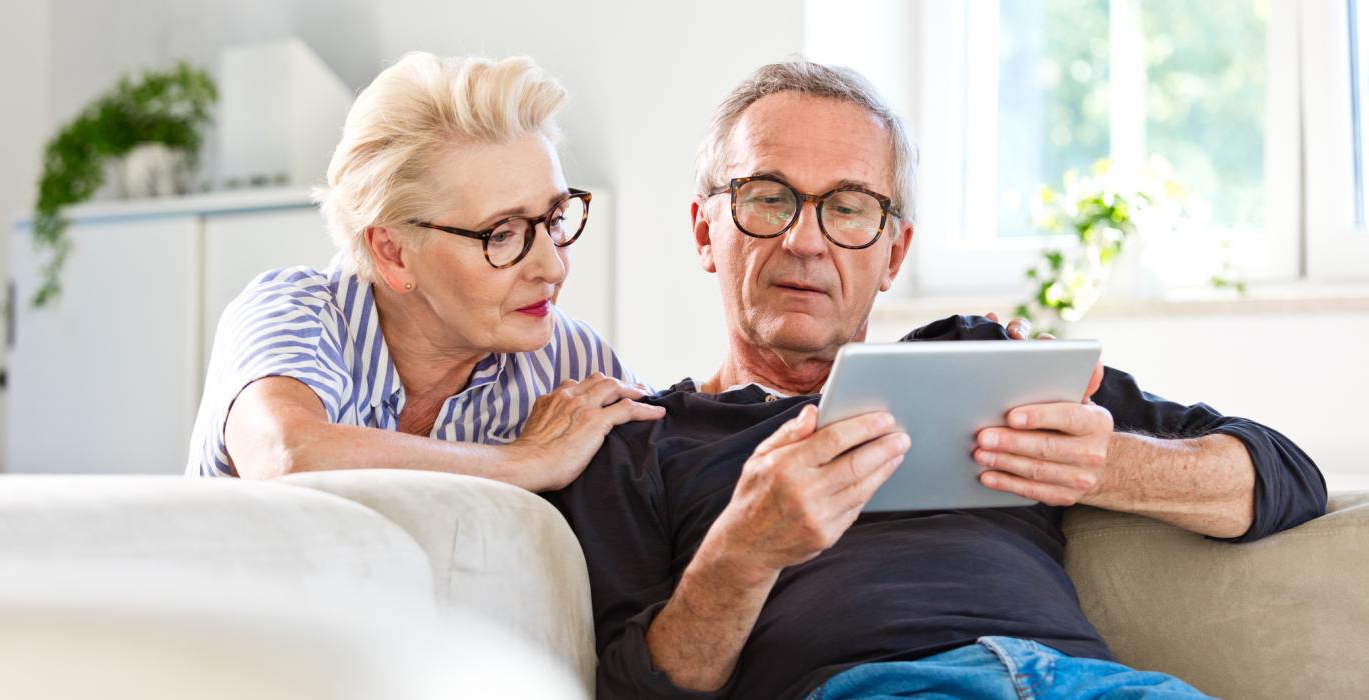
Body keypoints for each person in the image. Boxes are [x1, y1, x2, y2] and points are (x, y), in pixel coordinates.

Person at [548, 60, 1326, 699]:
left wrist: (1109, 464)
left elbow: (1287, 478)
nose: (804, 241)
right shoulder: (642, 441)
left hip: (1097, 687)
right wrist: (744, 552)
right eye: (768, 198)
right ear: (704, 231)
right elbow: (636, 689)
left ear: (893, 253)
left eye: (848, 208)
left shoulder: (987, 359)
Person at [185, 52, 664, 488]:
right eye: (501, 234)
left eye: (556, 219)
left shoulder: (572, 362)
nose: (553, 266)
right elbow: (288, 456)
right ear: (393, 252)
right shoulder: (292, 313)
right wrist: (526, 462)